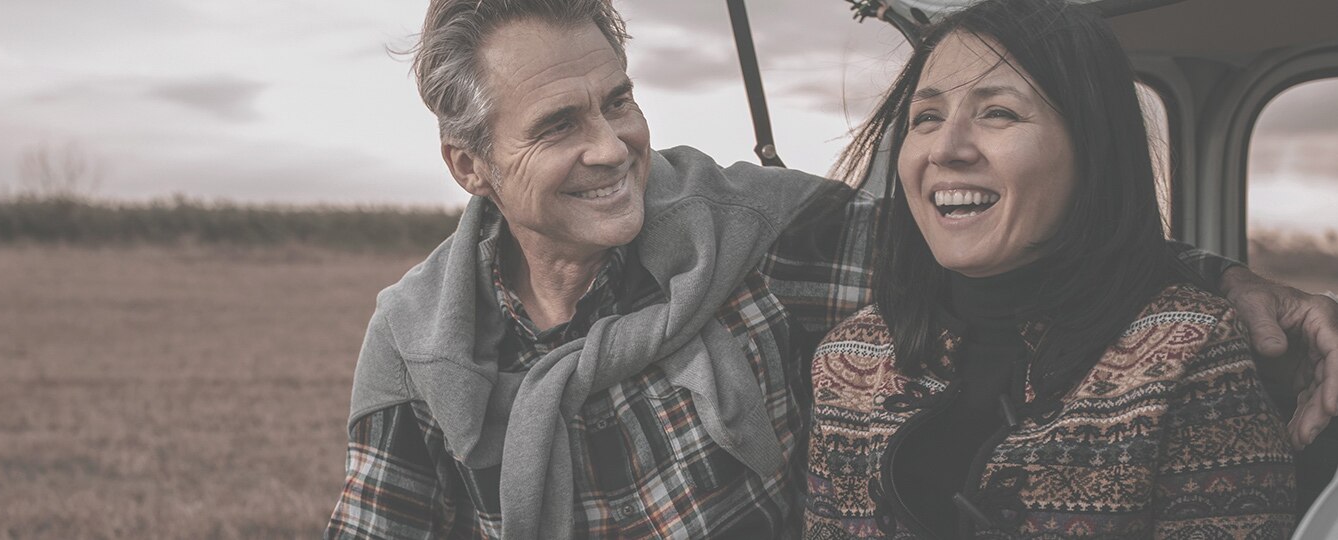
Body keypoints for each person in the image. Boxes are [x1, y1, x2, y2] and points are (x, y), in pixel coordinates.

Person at [326, 0, 1338, 538]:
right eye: (559, 124)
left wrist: (1226, 284)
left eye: (619, 100)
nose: (612, 145)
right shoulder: (423, 348)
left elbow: (1003, 241)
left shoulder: (755, 239)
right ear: (470, 165)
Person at [802, 0, 1299, 537]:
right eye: (926, 117)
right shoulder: (847, 358)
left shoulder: (1190, 347)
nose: (945, 148)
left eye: (999, 112)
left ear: (1093, 146)